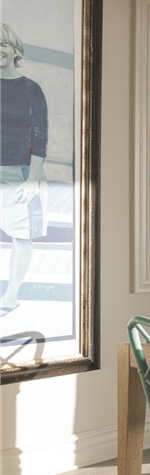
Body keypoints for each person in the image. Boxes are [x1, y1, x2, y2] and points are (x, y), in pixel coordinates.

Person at [1, 22, 48, 314]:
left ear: (15, 50)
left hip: (17, 171)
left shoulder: (31, 89)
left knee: (21, 235)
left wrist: (32, 178)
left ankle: (11, 296)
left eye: (2, 44)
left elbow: (40, 136)